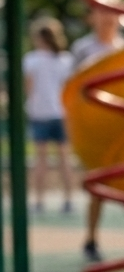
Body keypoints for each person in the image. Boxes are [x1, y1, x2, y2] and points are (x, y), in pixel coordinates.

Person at [68, 0, 124, 262]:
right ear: (91, 16)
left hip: (122, 128)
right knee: (98, 187)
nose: (108, 17)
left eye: (113, 11)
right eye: (102, 11)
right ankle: (91, 239)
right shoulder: (83, 49)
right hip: (96, 129)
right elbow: (72, 90)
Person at [23, 18, 74, 213]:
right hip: (61, 113)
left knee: (41, 160)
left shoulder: (31, 60)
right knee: (64, 158)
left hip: (40, 113)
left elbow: (28, 87)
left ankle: (39, 201)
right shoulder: (65, 60)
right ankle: (68, 200)